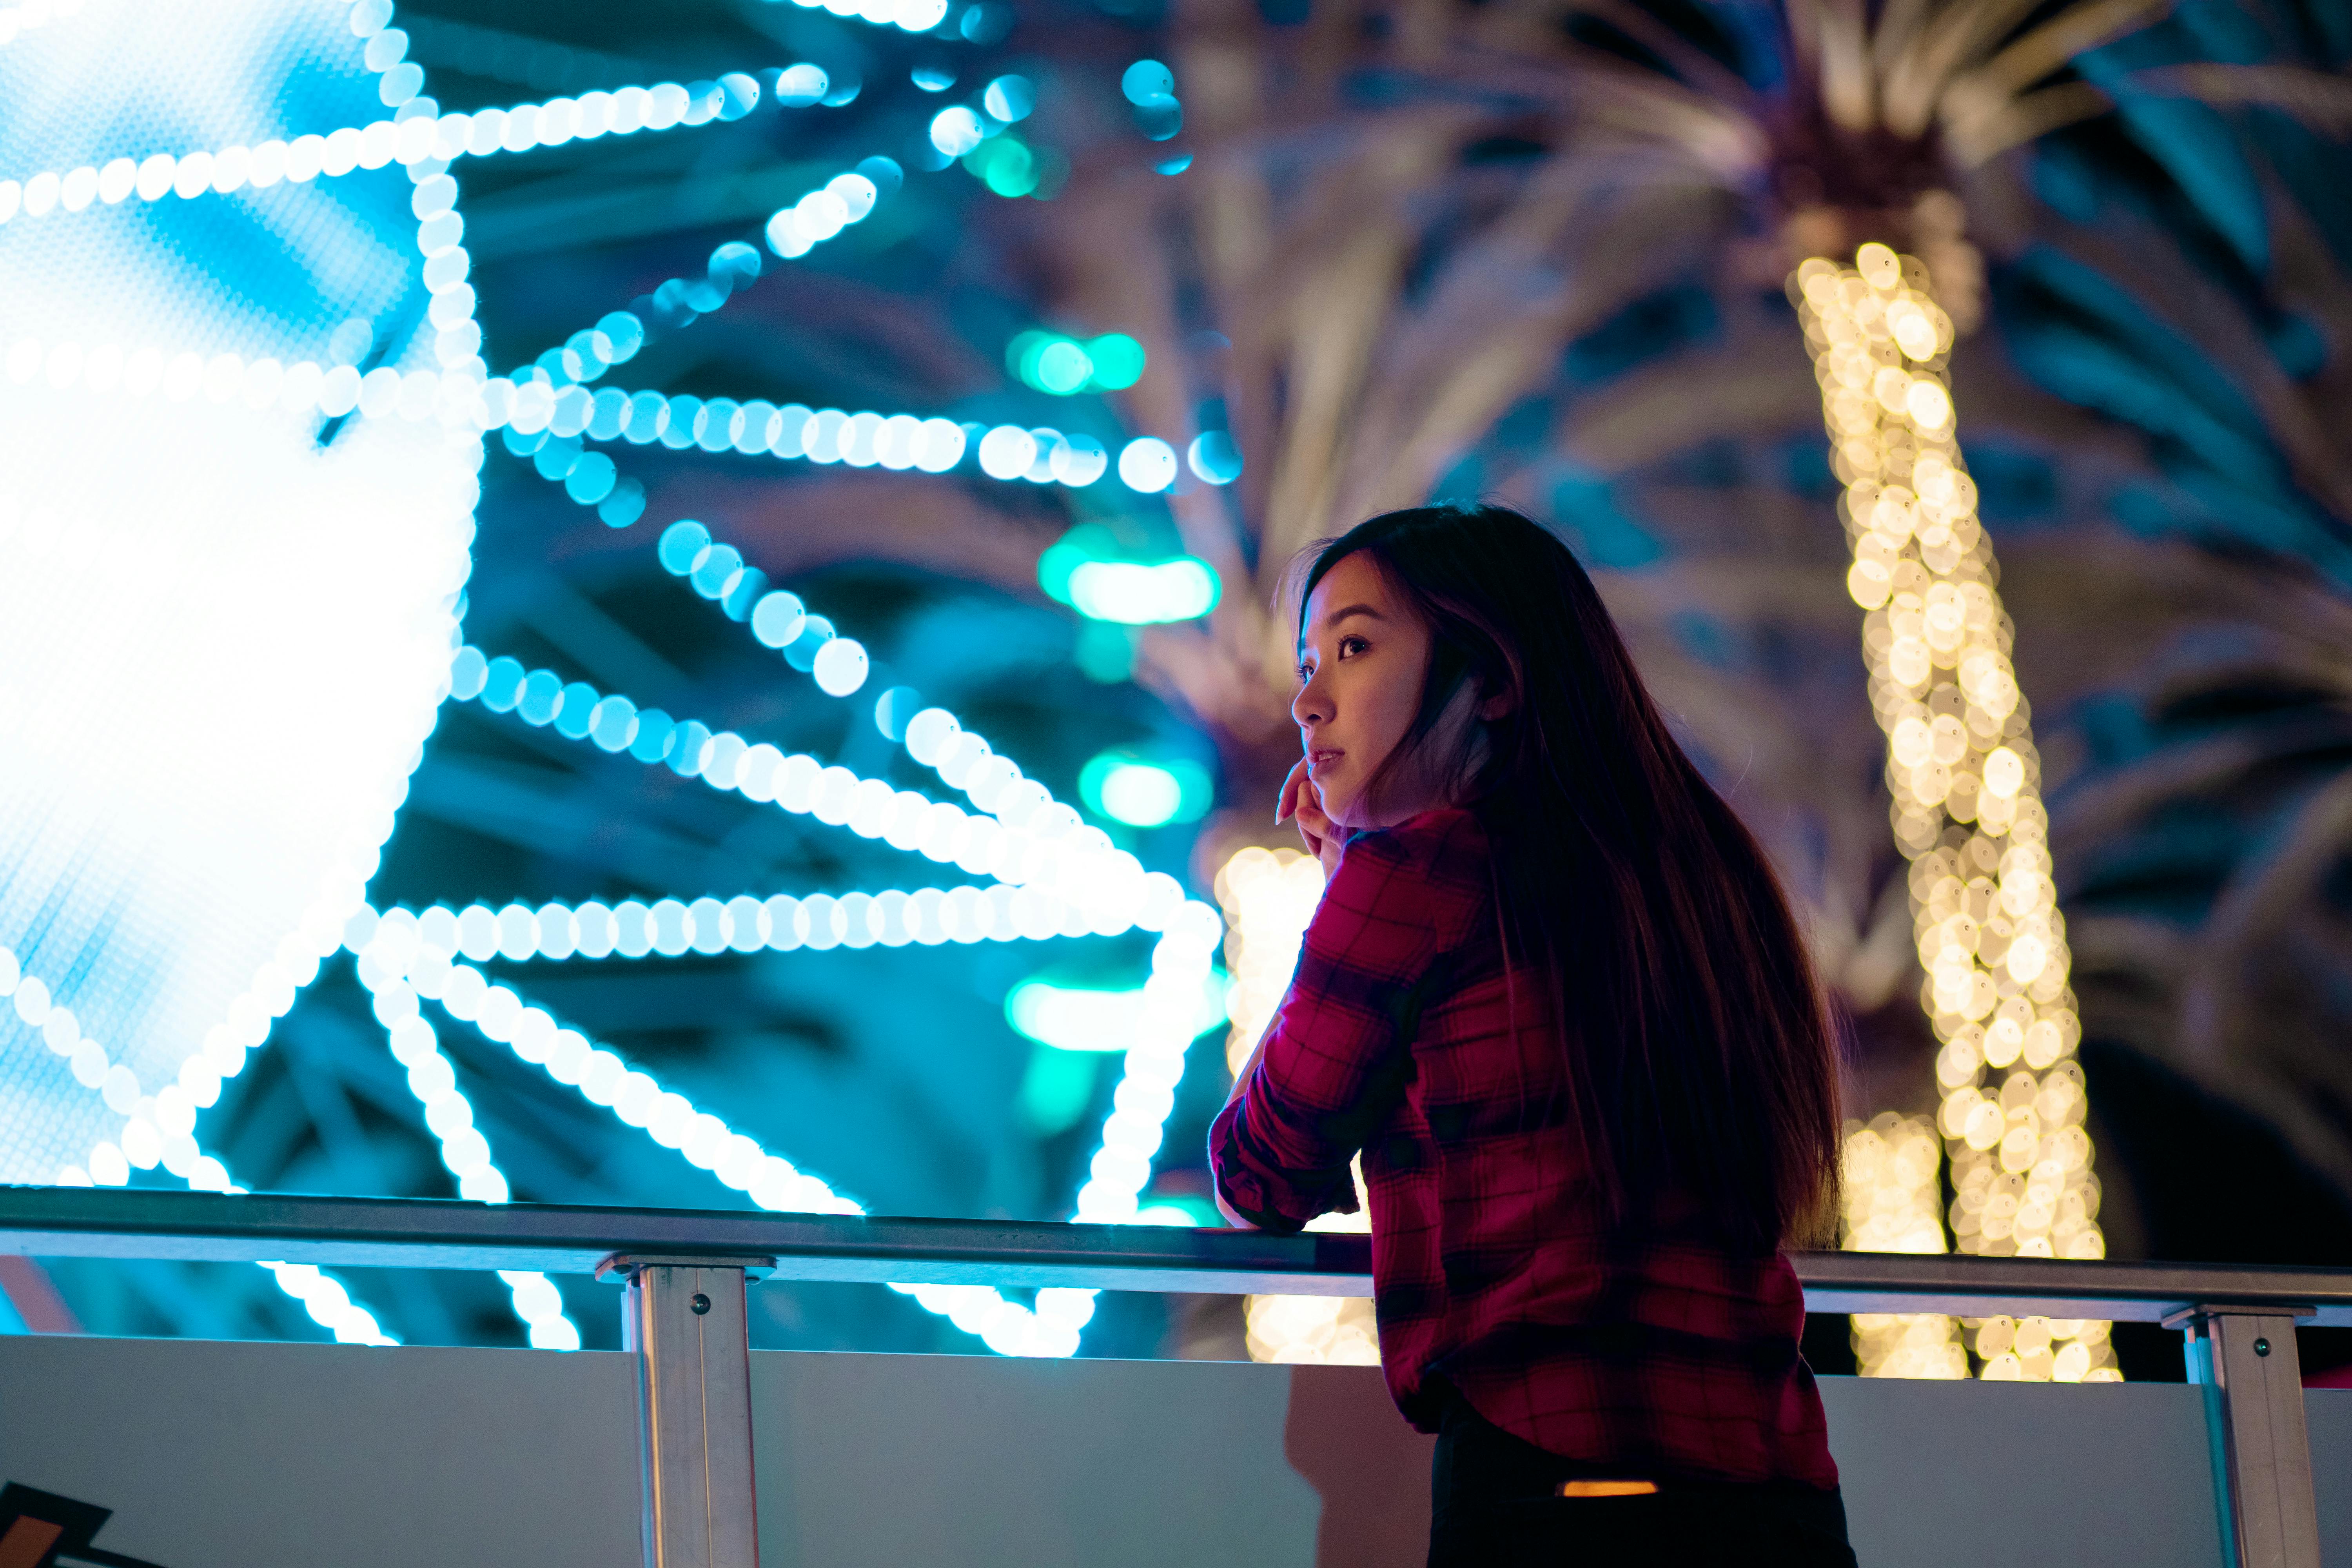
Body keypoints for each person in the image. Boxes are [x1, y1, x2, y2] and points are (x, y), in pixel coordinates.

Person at [1209, 503, 1854, 1566]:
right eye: (1310, 658)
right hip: (1779, 1496)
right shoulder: (1709, 876)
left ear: (1495, 679)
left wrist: (1340, 900)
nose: (1307, 699)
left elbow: (1260, 1178)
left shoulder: (1414, 875)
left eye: (1356, 648)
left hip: (1551, 1479)